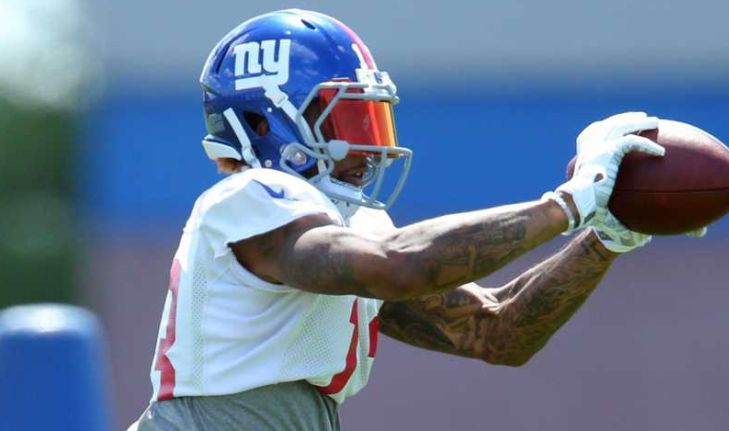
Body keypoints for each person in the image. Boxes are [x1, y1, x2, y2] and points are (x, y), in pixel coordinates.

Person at [131, 9, 672, 431]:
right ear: (265, 120)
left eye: (373, 117)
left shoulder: (345, 228)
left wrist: (605, 238)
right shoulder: (249, 197)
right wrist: (571, 202)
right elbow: (398, 265)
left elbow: (497, 330)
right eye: (347, 117)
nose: (369, 146)